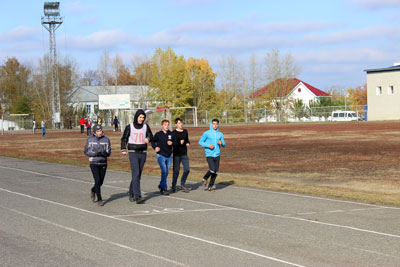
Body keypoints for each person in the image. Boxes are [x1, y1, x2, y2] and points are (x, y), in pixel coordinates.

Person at [121, 109, 153, 204]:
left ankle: (131, 192)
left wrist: (148, 138)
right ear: (136, 117)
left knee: (138, 175)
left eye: (143, 117)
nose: (142, 119)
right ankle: (137, 196)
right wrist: (123, 149)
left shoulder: (146, 126)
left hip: (143, 152)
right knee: (135, 173)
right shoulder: (130, 126)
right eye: (140, 117)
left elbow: (150, 135)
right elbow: (124, 138)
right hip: (133, 152)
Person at [84, 124, 111, 206]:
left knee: (101, 182)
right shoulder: (90, 140)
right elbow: (86, 151)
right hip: (94, 163)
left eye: (100, 131)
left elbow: (109, 152)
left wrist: (105, 154)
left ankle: (94, 189)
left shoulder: (106, 139)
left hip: (103, 162)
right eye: (98, 131)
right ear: (94, 132)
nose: (100, 132)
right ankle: (99, 199)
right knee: (97, 180)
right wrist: (95, 154)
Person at [198, 119, 226, 191]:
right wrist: (208, 145)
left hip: (217, 155)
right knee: (212, 170)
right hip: (209, 154)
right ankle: (205, 178)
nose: (215, 125)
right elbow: (200, 142)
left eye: (216, 124)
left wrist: (221, 143)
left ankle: (210, 186)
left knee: (216, 172)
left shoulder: (220, 134)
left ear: (218, 125)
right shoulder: (206, 133)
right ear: (211, 124)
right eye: (213, 124)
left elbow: (224, 144)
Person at [152, 119, 176, 195]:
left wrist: (172, 143)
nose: (167, 126)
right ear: (162, 125)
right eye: (165, 124)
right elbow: (152, 141)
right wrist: (155, 147)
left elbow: (176, 142)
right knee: (164, 171)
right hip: (160, 155)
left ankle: (161, 185)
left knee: (166, 172)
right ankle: (164, 189)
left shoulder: (171, 134)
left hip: (169, 156)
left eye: (168, 124)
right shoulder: (158, 134)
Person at [171, 118, 190, 193]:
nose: (180, 124)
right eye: (179, 123)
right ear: (176, 124)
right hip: (176, 154)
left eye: (181, 123)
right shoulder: (173, 133)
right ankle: (173, 185)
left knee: (187, 169)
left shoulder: (185, 131)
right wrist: (179, 142)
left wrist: (187, 142)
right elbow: (173, 143)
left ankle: (182, 184)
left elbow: (187, 140)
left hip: (184, 153)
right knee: (176, 171)